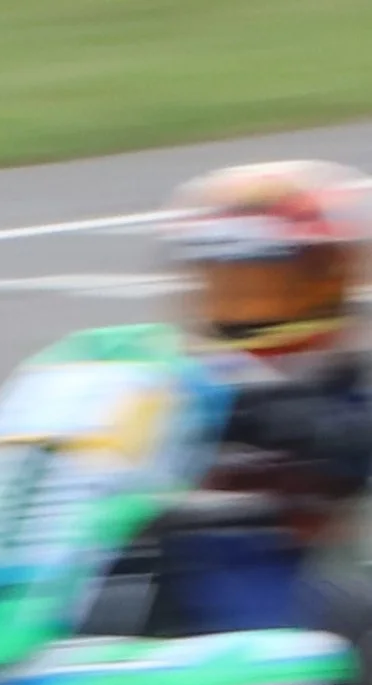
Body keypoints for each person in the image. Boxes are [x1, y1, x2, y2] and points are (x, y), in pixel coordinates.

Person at [150, 160, 372, 629]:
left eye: (266, 285)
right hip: (178, 567)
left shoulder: (346, 378)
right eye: (226, 284)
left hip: (299, 574)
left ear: (329, 280)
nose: (244, 306)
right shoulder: (177, 380)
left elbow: (354, 437)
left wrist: (267, 415)